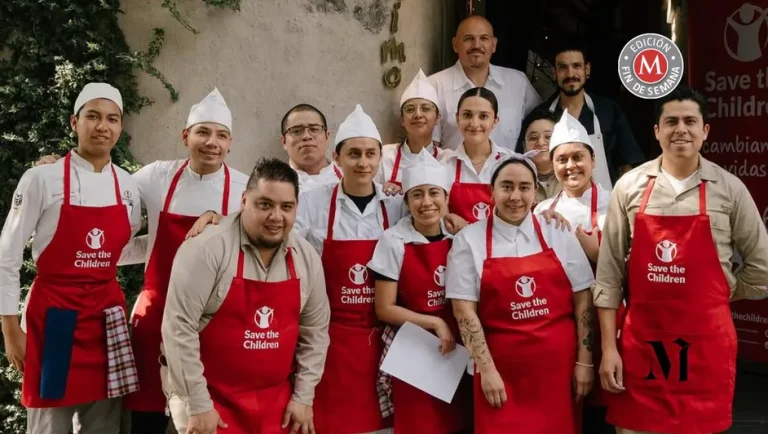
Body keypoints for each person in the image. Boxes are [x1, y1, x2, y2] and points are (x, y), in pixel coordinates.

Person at [595, 86, 768, 434]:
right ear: (657, 131)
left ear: (705, 131)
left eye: (691, 121)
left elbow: (762, 271)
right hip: (643, 346)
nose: (681, 129)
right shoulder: (629, 187)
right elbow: (609, 276)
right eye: (671, 121)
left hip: (705, 346)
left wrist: (717, 292)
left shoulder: (730, 188)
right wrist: (608, 350)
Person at [0, 83, 142, 434]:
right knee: (51, 421)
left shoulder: (128, 186)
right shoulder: (42, 178)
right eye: (92, 116)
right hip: (56, 318)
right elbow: (7, 254)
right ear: (74, 122)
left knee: (104, 423)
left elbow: (119, 248)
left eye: (112, 118)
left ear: (120, 128)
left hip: (106, 315)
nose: (102, 126)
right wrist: (9, 329)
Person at [160, 158, 330, 434]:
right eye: (265, 204)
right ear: (244, 200)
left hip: (275, 403)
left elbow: (315, 333)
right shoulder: (206, 249)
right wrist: (199, 404)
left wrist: (303, 396)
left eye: (286, 207)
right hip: (208, 400)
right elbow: (178, 329)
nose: (276, 217)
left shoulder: (306, 258)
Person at [121, 88, 249, 433]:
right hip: (155, 314)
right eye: (203, 132)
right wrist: (59, 169)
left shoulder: (244, 188)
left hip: (211, 323)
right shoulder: (157, 176)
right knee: (146, 420)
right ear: (185, 136)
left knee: (202, 419)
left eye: (221, 135)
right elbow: (109, 188)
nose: (212, 142)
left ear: (230, 143)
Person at [447, 154, 595, 433]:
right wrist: (487, 371)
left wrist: (584, 361)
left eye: (524, 187)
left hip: (557, 372)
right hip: (501, 373)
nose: (515, 196)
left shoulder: (556, 231)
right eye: (506, 186)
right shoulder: (469, 240)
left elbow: (583, 298)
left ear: (535, 191)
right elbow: (464, 311)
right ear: (491, 191)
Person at [293, 104, 406, 434]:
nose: (363, 162)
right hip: (330, 341)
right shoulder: (312, 204)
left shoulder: (395, 206)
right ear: (338, 159)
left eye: (371, 154)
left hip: (383, 338)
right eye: (354, 154)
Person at [368, 152, 471, 434]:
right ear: (406, 202)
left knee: (458, 422)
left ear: (446, 198)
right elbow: (384, 308)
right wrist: (435, 323)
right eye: (417, 195)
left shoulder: (461, 237)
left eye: (434, 193)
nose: (426, 202)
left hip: (459, 349)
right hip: (414, 352)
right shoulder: (393, 240)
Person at [535, 109, 611, 433]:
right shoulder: (541, 211)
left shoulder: (617, 205)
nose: (570, 166)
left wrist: (597, 253)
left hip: (611, 324)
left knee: (605, 413)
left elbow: (637, 268)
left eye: (578, 157)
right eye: (561, 159)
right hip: (564, 329)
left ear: (593, 159)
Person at [538, 44, 644, 189]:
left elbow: (626, 167)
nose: (570, 74)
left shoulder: (608, 110)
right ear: (554, 72)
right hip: (555, 204)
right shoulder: (540, 116)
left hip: (605, 204)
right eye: (563, 67)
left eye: (576, 66)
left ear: (586, 70)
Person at [429, 15, 541, 151]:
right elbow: (430, 147)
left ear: (493, 45)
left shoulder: (517, 82)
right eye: (468, 38)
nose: (476, 45)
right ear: (455, 44)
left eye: (484, 38)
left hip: (508, 171)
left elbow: (539, 129)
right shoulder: (434, 86)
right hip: (454, 171)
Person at [376, 69, 454, 196]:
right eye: (410, 109)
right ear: (402, 119)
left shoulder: (448, 160)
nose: (418, 114)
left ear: (437, 118)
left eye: (426, 108)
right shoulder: (384, 156)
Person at [444, 87, 512, 224]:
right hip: (457, 243)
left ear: (495, 120)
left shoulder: (511, 163)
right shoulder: (444, 164)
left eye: (483, 116)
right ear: (457, 118)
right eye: (467, 115)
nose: (474, 124)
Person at [281, 103, 342, 192]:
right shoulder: (272, 185)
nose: (306, 136)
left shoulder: (350, 179)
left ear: (327, 136)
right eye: (296, 131)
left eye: (314, 129)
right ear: (284, 141)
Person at [516, 108, 562, 204]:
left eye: (548, 137)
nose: (540, 143)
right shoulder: (515, 179)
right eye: (533, 138)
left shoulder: (572, 176)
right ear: (524, 146)